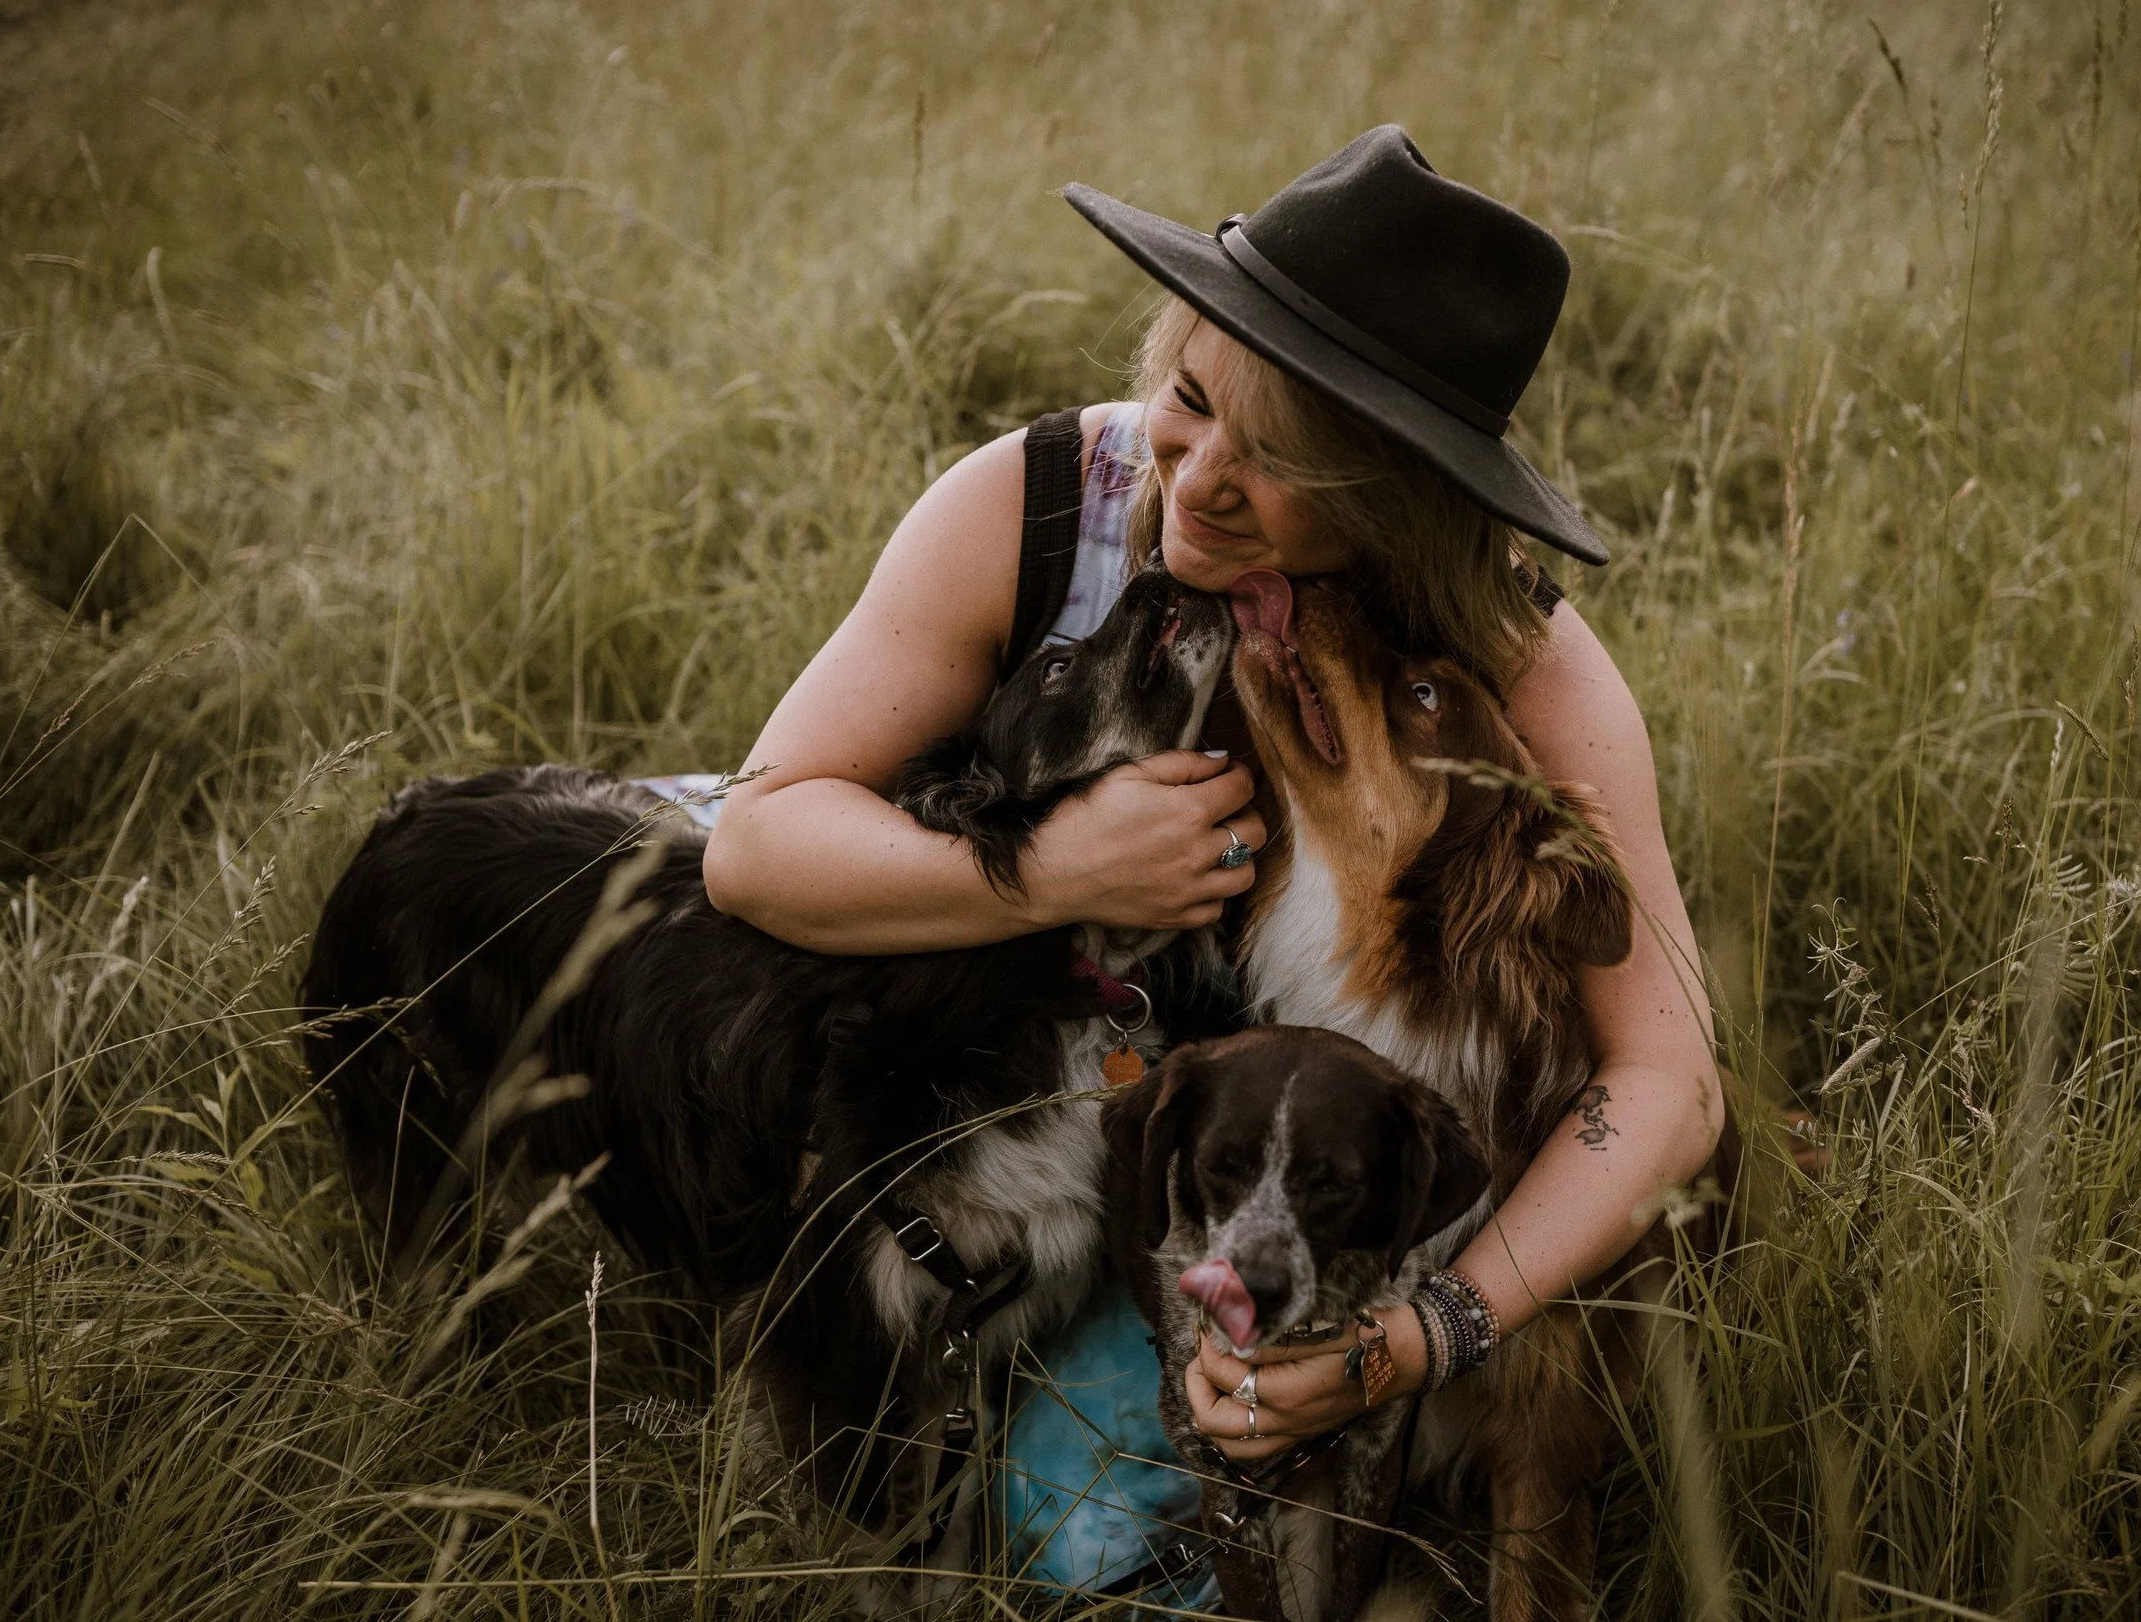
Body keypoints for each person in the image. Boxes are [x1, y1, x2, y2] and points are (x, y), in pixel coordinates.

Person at [700, 125, 1722, 1588]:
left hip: (1236, 1152)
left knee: (1108, 1540)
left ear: (1394, 503)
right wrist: (1048, 870)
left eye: (1286, 463)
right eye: (1191, 398)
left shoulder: (1519, 660)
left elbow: (1669, 1076)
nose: (1197, 483)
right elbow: (755, 835)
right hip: (998, 1043)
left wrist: (1423, 1333)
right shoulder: (1037, 503)